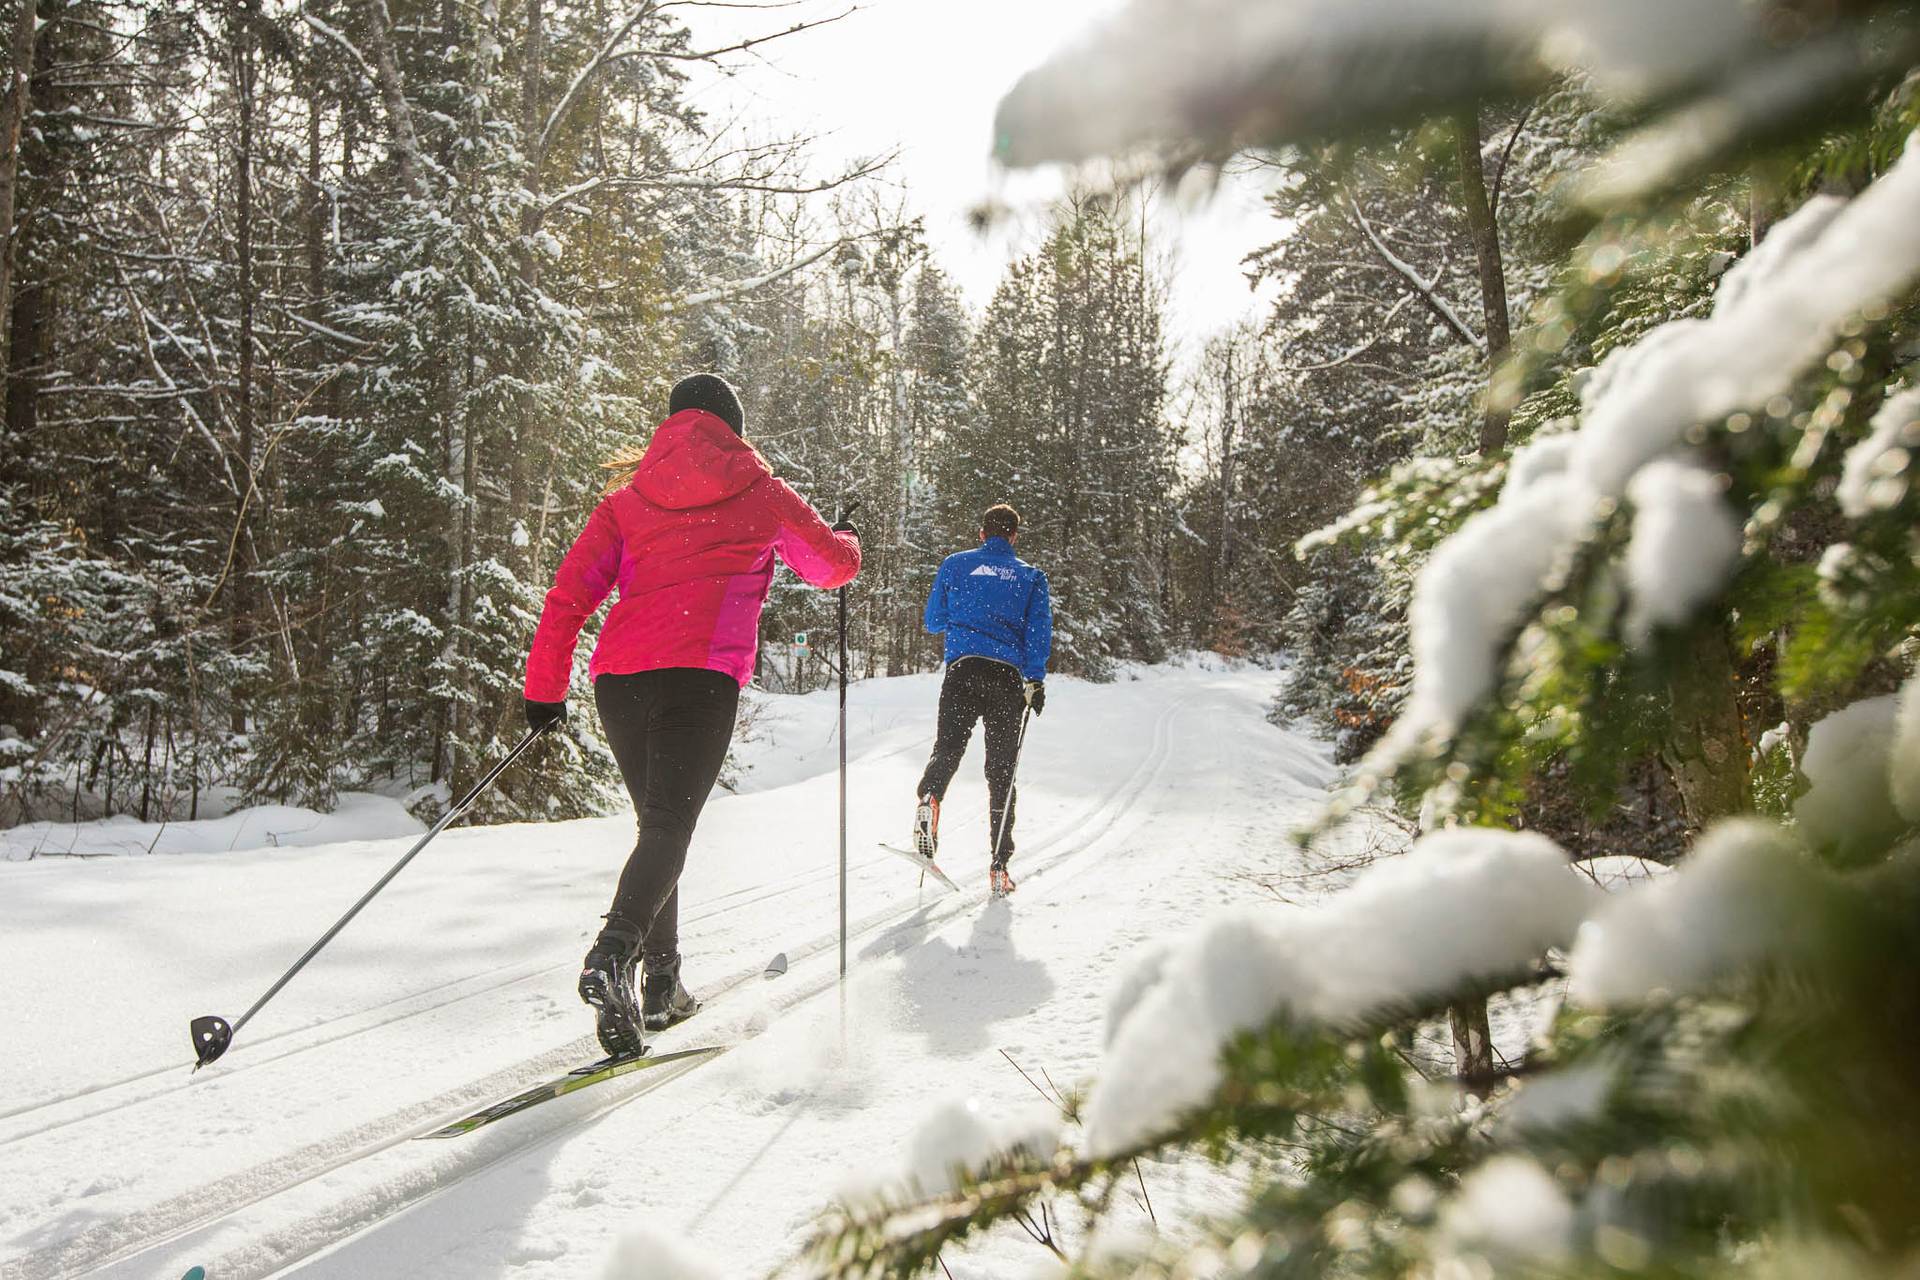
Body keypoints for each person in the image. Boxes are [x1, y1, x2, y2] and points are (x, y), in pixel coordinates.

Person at [523, 373, 860, 1058]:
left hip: (620, 682)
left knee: (659, 827)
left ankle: (661, 987)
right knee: (670, 826)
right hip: (700, 676)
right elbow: (830, 568)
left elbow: (567, 598)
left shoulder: (626, 501)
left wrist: (544, 690)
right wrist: (848, 536)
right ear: (732, 427)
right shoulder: (761, 492)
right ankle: (612, 957)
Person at [912, 503, 1052, 897]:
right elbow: (1038, 633)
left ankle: (930, 797)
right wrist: (1035, 679)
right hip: (1006, 679)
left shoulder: (955, 565)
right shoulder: (1031, 576)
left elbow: (932, 621)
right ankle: (999, 866)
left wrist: (966, 615)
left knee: (948, 749)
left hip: (963, 671)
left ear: (981, 533)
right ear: (1013, 536)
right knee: (1001, 771)